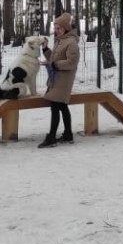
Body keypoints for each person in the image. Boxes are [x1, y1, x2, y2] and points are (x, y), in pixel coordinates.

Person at [38, 12, 80, 148]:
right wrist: (45, 49)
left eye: (59, 28)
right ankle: (68, 134)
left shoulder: (71, 42)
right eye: (55, 28)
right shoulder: (60, 40)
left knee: (56, 105)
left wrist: (55, 65)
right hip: (57, 78)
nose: (56, 31)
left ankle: (51, 137)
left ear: (66, 28)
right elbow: (53, 59)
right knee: (61, 106)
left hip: (64, 79)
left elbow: (72, 62)